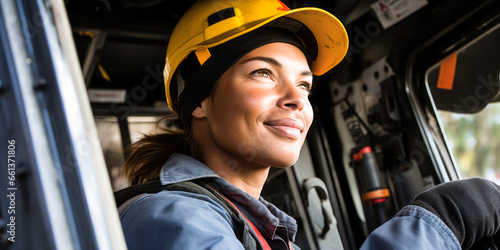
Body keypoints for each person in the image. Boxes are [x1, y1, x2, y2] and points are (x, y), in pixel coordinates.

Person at [115, 0, 500, 249]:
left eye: (304, 84)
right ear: (198, 100)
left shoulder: (256, 227)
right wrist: (442, 216)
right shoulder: (169, 217)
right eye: (263, 73)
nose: (297, 98)